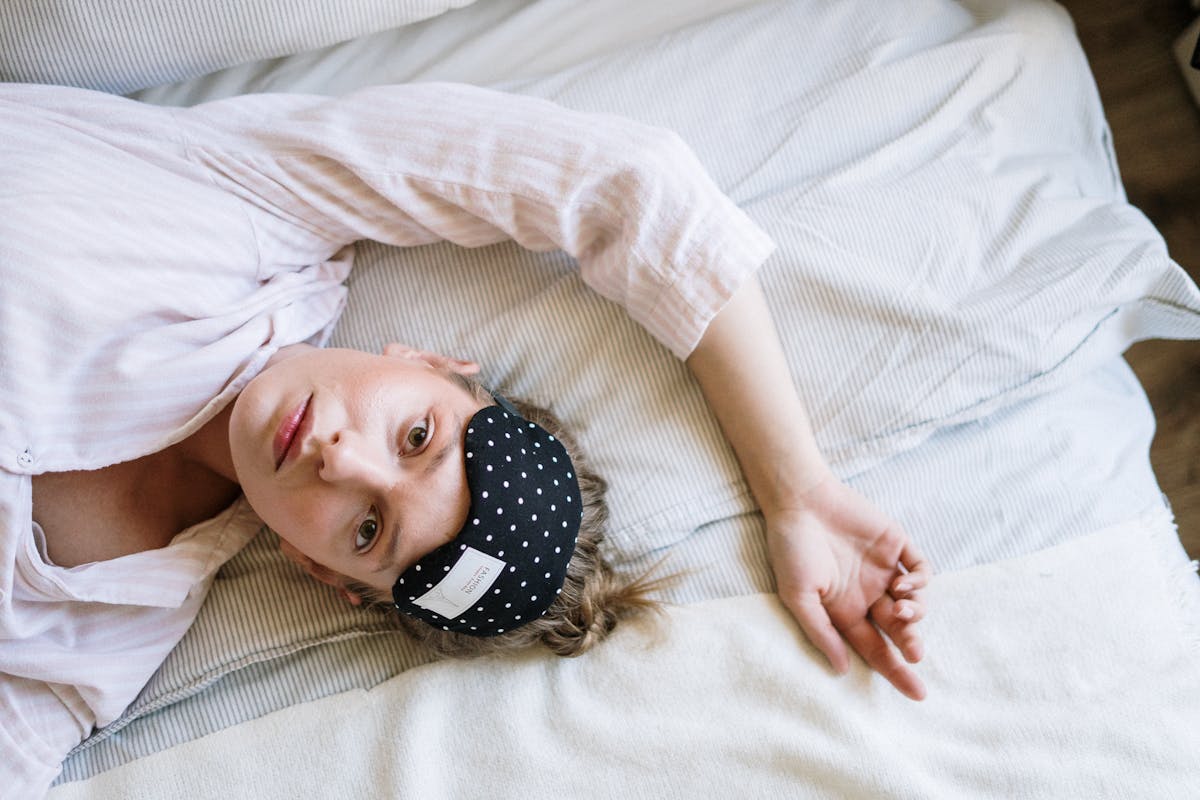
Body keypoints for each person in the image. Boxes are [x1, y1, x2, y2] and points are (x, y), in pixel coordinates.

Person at [0, 80, 929, 797]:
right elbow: (627, 184)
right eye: (415, 435)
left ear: (322, 572)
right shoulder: (260, 202)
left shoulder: (92, 644)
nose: (342, 460)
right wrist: (797, 491)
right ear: (433, 362)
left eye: (367, 530)